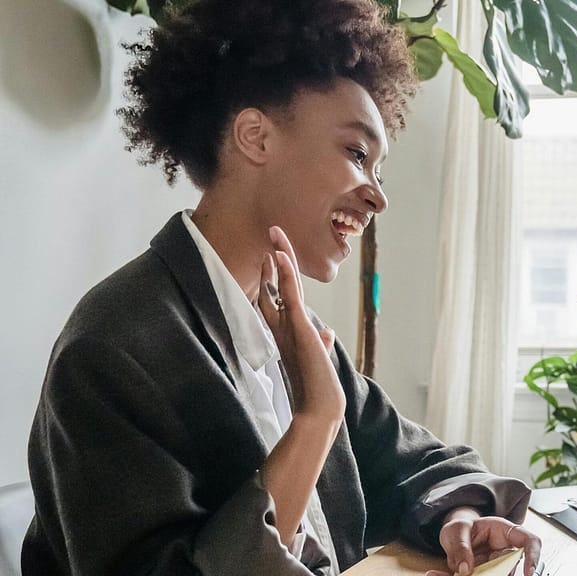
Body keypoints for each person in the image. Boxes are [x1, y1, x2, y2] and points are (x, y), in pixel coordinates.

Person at [21, 1, 541, 575]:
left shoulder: (291, 331)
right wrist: (315, 421)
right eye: (356, 153)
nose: (377, 196)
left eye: (378, 170)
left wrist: (457, 517)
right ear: (255, 137)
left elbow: (421, 463)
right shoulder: (113, 347)